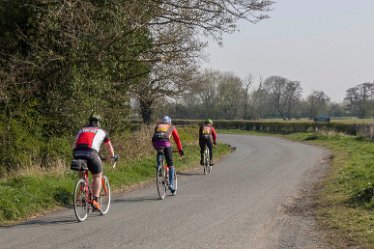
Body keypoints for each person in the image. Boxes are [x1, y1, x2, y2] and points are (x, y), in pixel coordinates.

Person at [73, 114, 118, 210]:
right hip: (91, 153)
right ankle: (95, 201)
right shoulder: (102, 131)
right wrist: (113, 157)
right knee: (98, 176)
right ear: (98, 123)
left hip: (77, 152)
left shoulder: (81, 129)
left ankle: (81, 191)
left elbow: (76, 142)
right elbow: (109, 146)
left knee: (82, 174)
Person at [152, 115, 184, 194]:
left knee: (160, 150)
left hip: (155, 141)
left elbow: (157, 134)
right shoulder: (171, 126)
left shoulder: (158, 126)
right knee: (170, 164)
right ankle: (171, 185)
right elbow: (177, 139)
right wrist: (180, 150)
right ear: (169, 122)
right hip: (165, 141)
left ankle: (159, 165)